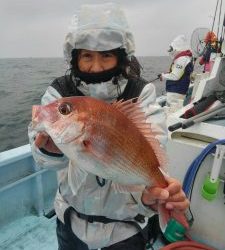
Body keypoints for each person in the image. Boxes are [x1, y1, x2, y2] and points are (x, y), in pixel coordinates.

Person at [29, 3, 189, 250]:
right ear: (75, 56)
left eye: (106, 55)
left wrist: (150, 196)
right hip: (70, 220)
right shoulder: (61, 93)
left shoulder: (140, 92)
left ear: (121, 55)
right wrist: (50, 150)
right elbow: (43, 155)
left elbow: (151, 146)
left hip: (124, 229)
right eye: (87, 55)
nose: (96, 66)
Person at [159, 35, 194, 109]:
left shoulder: (181, 59)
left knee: (170, 111)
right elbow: (180, 72)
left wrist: (163, 76)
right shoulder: (185, 58)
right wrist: (168, 73)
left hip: (175, 92)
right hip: (178, 92)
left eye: (171, 48)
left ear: (176, 47)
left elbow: (175, 76)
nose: (170, 50)